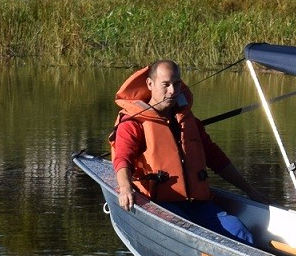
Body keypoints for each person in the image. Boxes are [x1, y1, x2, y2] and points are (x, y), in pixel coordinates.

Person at [110, 60, 268, 244]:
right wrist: (125, 188)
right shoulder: (133, 123)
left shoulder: (189, 120)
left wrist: (250, 191)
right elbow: (122, 159)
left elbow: (217, 159)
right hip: (159, 204)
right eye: (166, 84)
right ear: (150, 84)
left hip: (198, 204)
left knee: (241, 233)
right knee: (191, 234)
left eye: (176, 84)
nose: (172, 91)